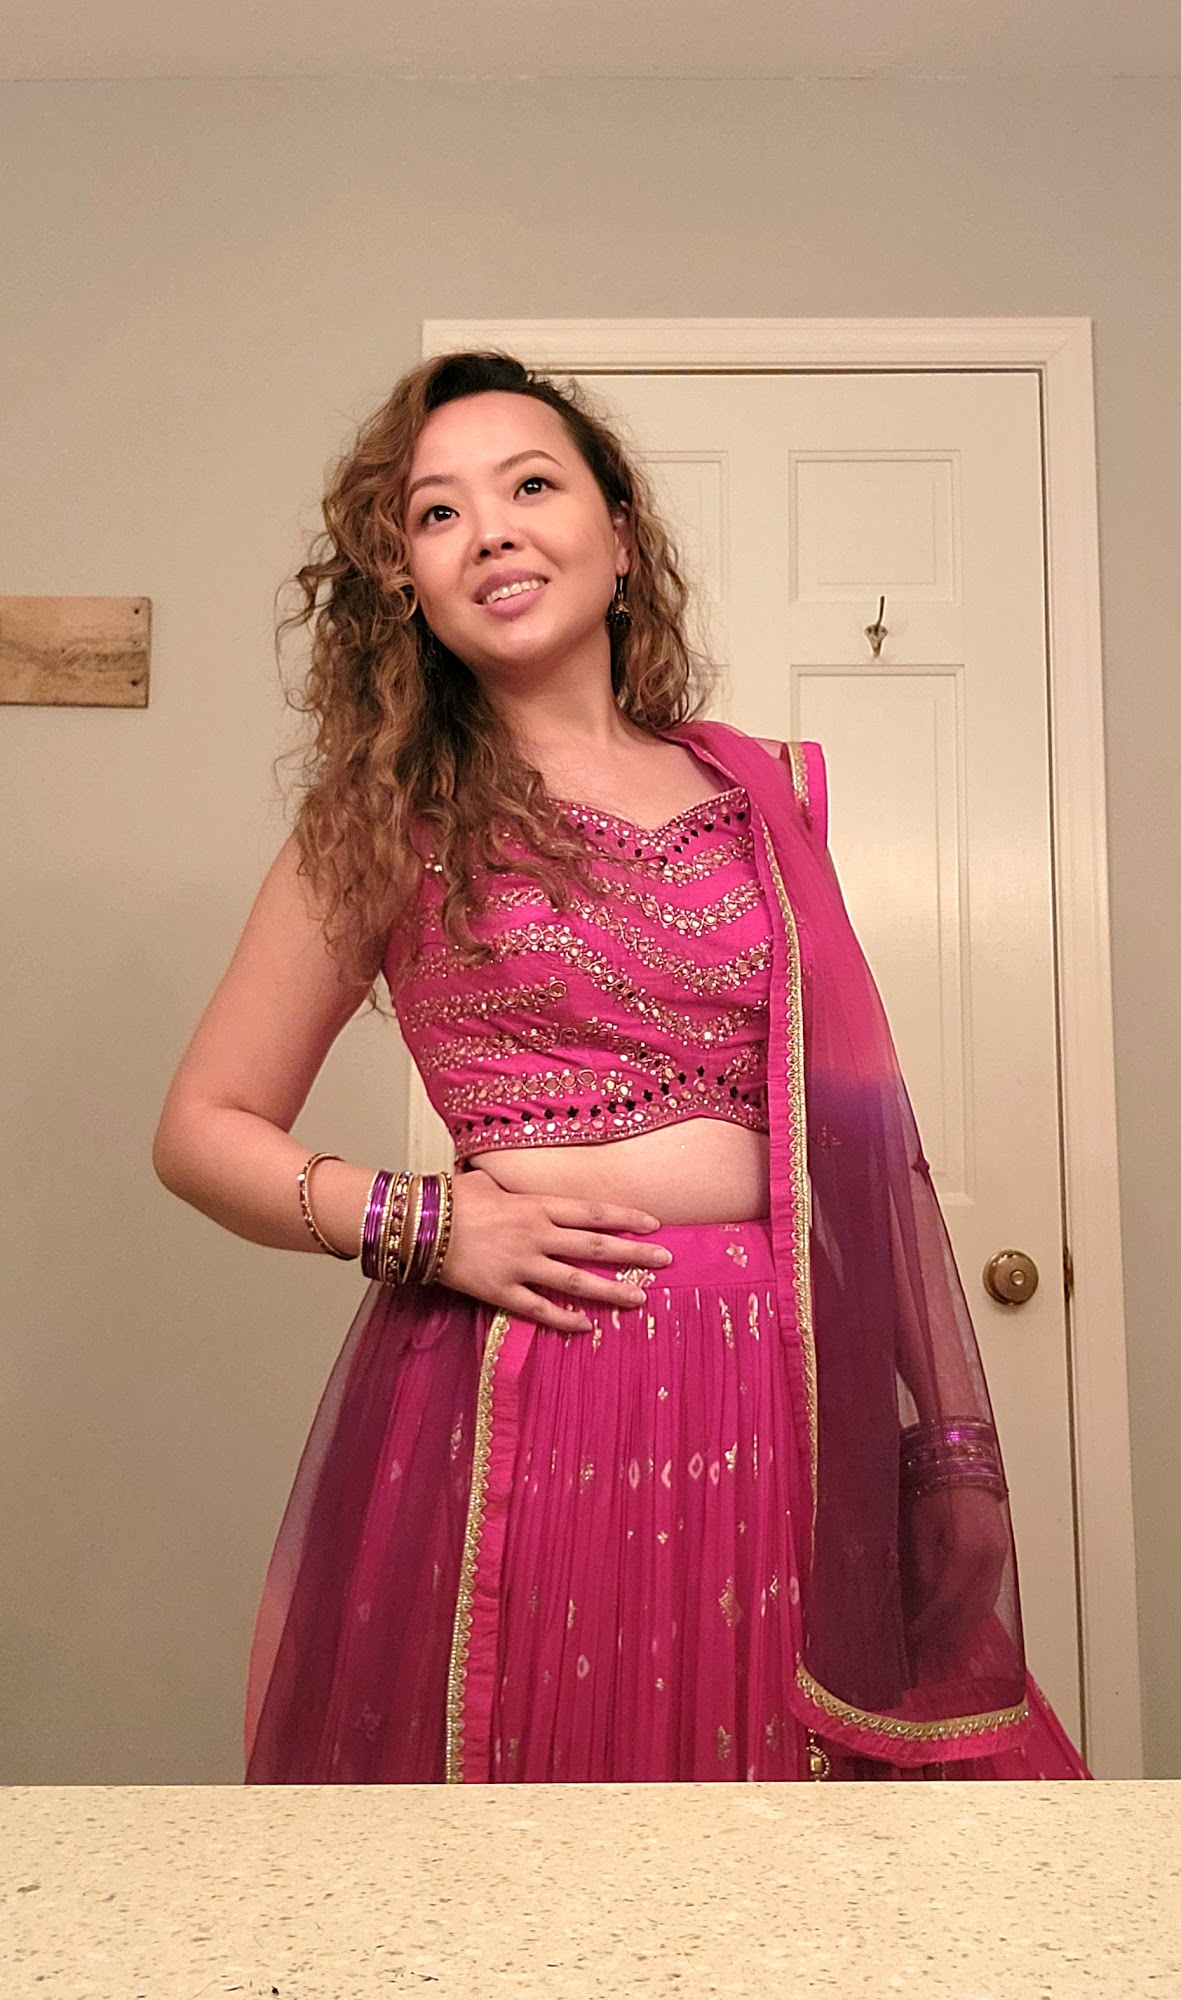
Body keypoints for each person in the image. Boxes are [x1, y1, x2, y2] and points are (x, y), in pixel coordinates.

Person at [153, 349, 1090, 1784]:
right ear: (406, 584)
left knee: (775, 1827)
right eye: (436, 513)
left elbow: (844, 1127)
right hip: (517, 1376)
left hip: (772, 1390)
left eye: (530, 486)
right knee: (525, 1824)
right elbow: (203, 1126)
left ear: (621, 535)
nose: (492, 531)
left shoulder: (762, 793)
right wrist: (427, 1224)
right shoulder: (387, 820)